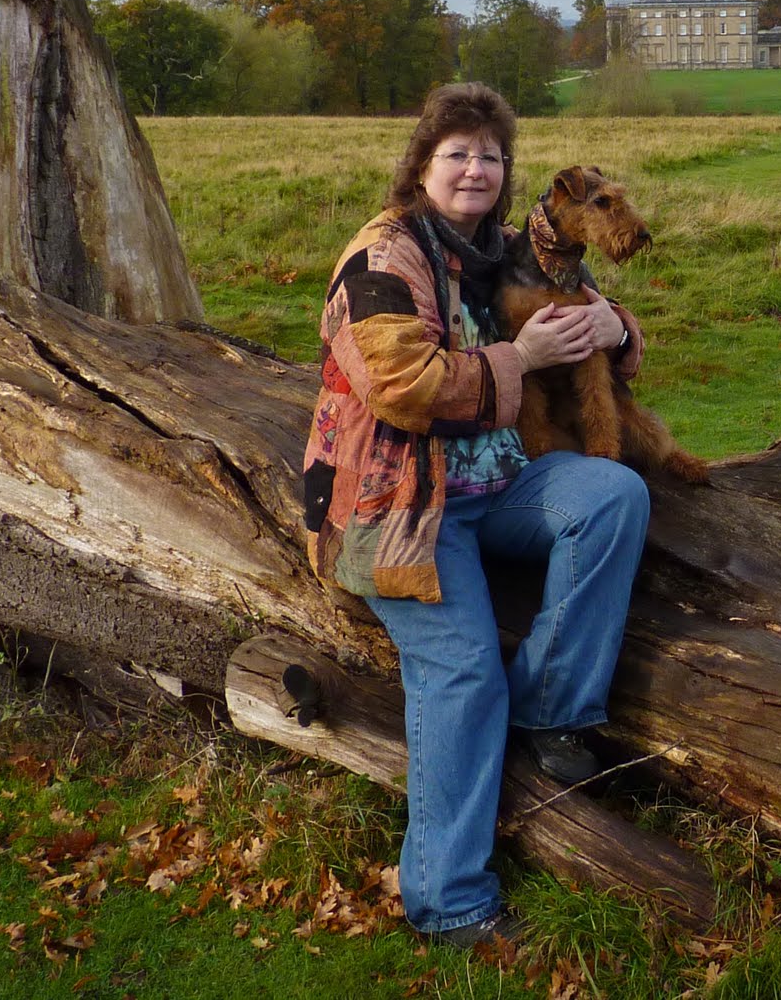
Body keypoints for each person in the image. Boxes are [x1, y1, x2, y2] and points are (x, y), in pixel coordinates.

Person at [301, 82, 649, 947]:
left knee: (613, 496)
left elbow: (592, 314)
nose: (475, 167)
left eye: (490, 154)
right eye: (456, 152)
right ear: (421, 164)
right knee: (462, 674)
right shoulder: (385, 256)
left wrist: (619, 333)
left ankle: (552, 710)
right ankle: (449, 899)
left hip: (496, 481)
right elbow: (401, 383)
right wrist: (517, 356)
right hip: (401, 508)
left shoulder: (500, 248)